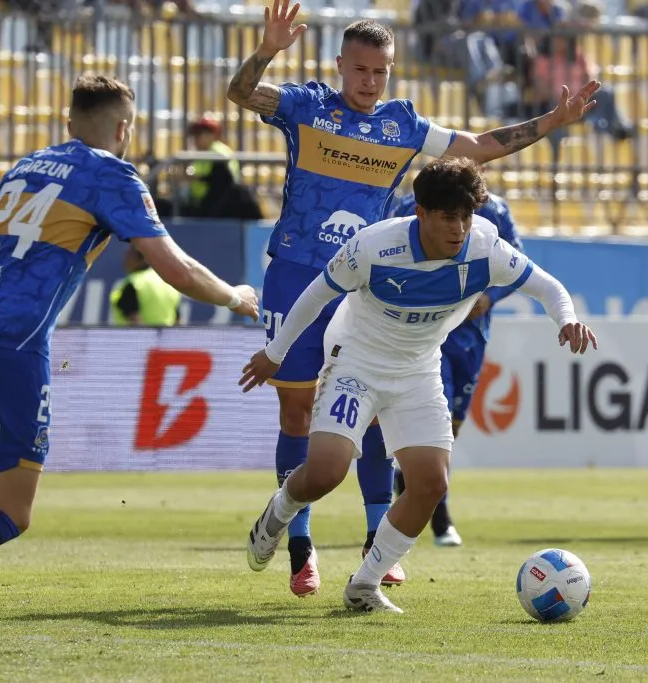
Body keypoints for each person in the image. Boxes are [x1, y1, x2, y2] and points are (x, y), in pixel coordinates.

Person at [225, 0, 599, 597]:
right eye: (360, 70)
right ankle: (300, 543)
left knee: (371, 417)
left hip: (365, 284)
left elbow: (479, 144)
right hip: (298, 270)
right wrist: (268, 49)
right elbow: (242, 93)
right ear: (340, 65)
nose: (370, 82)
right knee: (297, 414)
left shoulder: (402, 127)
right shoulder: (306, 107)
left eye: (381, 72)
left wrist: (551, 122)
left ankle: (377, 547)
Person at [0, 74, 259, 646]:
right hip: (14, 344)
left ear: (67, 122)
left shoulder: (25, 168)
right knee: (10, 513)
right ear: (125, 128)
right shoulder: (112, 175)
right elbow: (175, 269)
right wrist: (236, 296)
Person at [239, 157, 598, 613]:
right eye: (449, 217)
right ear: (422, 213)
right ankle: (280, 510)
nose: (460, 228)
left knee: (429, 483)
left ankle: (364, 585)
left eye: (466, 217)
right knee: (327, 472)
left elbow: (548, 288)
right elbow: (316, 296)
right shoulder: (374, 246)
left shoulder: (486, 247)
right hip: (357, 365)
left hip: (418, 372)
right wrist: (274, 354)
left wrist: (566, 319)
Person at [386, 187, 523, 547]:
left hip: (472, 336)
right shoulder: (408, 206)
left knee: (454, 424)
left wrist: (490, 297)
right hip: (426, 331)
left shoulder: (496, 209)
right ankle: (439, 518)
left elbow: (518, 266)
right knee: (439, 421)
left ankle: (411, 485)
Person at [110, 245, 183, 326]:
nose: (125, 260)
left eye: (128, 255)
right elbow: (177, 321)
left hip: (137, 338)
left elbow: (133, 319)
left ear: (141, 259)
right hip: (166, 338)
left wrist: (144, 338)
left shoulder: (134, 283)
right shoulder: (167, 283)